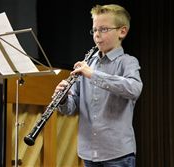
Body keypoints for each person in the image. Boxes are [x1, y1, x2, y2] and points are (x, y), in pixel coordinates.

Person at [54, 4, 143, 167]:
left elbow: (134, 89)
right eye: (94, 30)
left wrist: (93, 74)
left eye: (103, 29)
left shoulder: (128, 62)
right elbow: (70, 109)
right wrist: (63, 98)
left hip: (118, 154)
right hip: (88, 153)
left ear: (122, 31)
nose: (97, 35)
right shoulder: (87, 64)